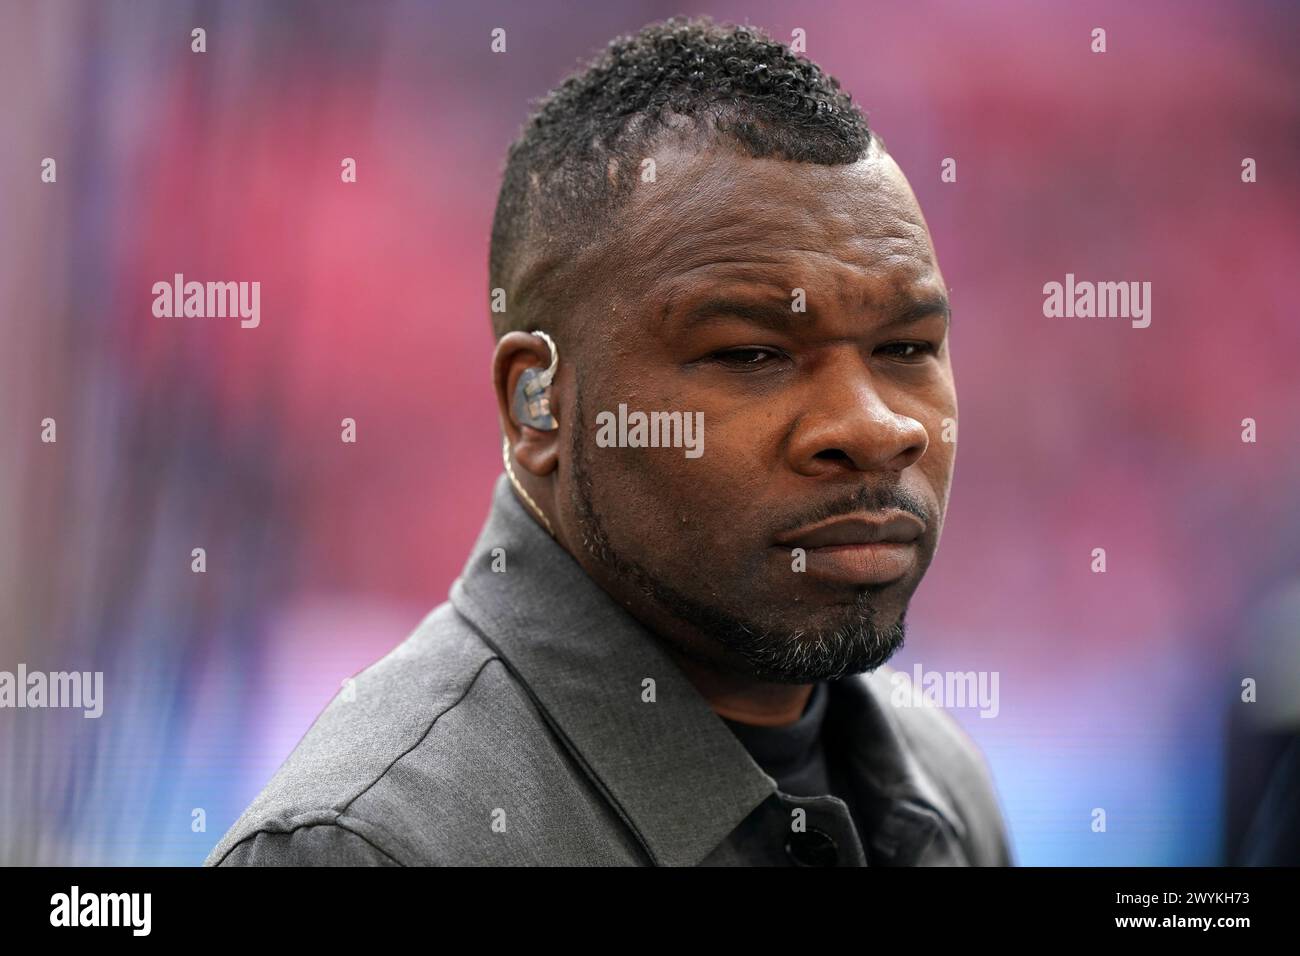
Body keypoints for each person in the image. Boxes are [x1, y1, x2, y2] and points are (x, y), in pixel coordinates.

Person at [206, 15, 1013, 867]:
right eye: (751, 353)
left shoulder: (941, 784)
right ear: (538, 404)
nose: (877, 429)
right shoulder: (373, 847)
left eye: (906, 349)